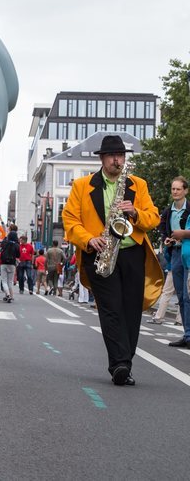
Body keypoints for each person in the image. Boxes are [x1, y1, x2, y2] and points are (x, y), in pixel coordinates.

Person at [62, 134, 161, 386]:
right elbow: (70, 221)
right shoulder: (82, 186)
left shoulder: (138, 184)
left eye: (121, 156)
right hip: (100, 253)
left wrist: (135, 212)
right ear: (103, 159)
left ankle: (124, 361)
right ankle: (119, 364)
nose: (118, 160)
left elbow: (153, 218)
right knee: (110, 309)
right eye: (113, 156)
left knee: (130, 311)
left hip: (131, 253)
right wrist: (88, 239)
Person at [157, 177, 189, 343]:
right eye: (173, 189)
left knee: (187, 296)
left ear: (185, 191)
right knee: (182, 295)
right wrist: (166, 239)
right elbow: (163, 230)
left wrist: (184, 235)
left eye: (178, 189)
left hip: (188, 253)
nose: (175, 192)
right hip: (175, 254)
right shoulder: (167, 211)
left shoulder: (189, 209)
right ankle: (187, 334)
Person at [0, 226, 19, 303]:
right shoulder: (17, 244)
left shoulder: (4, 242)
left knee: (4, 281)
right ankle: (10, 296)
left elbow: (1, 248)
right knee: (9, 281)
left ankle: (7, 295)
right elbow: (18, 255)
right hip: (12, 263)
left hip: (3, 263)